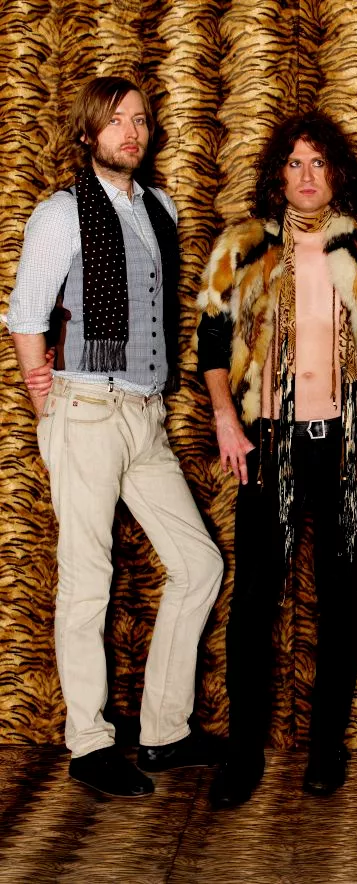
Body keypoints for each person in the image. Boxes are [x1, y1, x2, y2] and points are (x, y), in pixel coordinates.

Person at [7, 76, 223, 798]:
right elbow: (27, 315)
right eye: (115, 121)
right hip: (86, 408)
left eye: (140, 120)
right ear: (88, 133)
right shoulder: (59, 213)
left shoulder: (160, 208)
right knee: (88, 578)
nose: (131, 132)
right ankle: (89, 742)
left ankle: (164, 731)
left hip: (146, 415)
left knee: (199, 565)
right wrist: (48, 400)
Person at [197, 111, 357, 809]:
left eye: (319, 163)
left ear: (336, 171)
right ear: (277, 175)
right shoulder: (244, 245)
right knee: (255, 599)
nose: (307, 176)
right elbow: (211, 341)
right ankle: (243, 751)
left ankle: (326, 748)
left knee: (339, 597)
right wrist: (226, 418)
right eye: (294, 163)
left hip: (345, 445)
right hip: (271, 441)